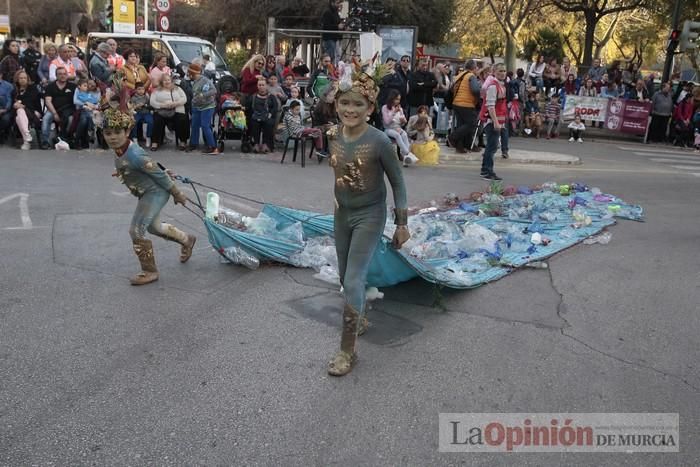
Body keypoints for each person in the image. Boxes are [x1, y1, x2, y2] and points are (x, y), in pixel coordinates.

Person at [326, 59, 409, 376]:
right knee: (344, 275)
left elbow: (398, 183)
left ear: (370, 107)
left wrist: (402, 224)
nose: (349, 109)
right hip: (341, 212)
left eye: (357, 104)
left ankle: (347, 352)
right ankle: (358, 315)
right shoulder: (333, 133)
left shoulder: (380, 142)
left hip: (370, 215)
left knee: (354, 278)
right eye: (344, 102)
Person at [104, 107, 196, 286]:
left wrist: (177, 194)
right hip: (147, 192)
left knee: (136, 231)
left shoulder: (135, 154)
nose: (112, 137)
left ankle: (149, 271)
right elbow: (142, 167)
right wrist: (124, 172)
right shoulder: (121, 148)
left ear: (127, 131)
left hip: (155, 192)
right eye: (108, 133)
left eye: (117, 132)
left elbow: (159, 175)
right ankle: (187, 240)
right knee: (154, 228)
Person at [185, 62, 219, 155]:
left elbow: (214, 90)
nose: (188, 75)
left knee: (205, 125)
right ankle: (193, 144)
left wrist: (203, 95)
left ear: (192, 73)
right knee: (195, 125)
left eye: (189, 73)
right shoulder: (193, 81)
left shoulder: (205, 80)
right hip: (196, 106)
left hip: (207, 107)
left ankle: (212, 146)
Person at [448, 59, 481, 153]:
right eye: (476, 68)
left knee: (462, 125)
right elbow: (475, 90)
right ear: (474, 68)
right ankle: (452, 137)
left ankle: (461, 146)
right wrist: (478, 96)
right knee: (472, 124)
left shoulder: (460, 75)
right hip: (466, 103)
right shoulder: (471, 76)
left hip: (456, 103)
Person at [150, 74, 189, 151]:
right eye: (165, 80)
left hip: (176, 109)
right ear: (161, 82)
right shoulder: (157, 91)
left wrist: (175, 103)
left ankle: (183, 141)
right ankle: (155, 142)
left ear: (171, 81)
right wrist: (162, 105)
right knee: (157, 120)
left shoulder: (177, 89)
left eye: (168, 80)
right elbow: (152, 102)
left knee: (181, 119)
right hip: (162, 111)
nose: (167, 82)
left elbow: (184, 98)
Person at [41, 67, 76, 149]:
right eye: (60, 74)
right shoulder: (50, 86)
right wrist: (54, 113)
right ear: (56, 75)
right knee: (46, 118)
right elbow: (48, 101)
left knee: (71, 119)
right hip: (53, 109)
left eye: (64, 74)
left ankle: (65, 139)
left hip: (68, 110)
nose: (62, 76)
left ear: (67, 75)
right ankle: (45, 142)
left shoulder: (73, 86)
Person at [381, 89, 416, 165]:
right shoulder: (385, 108)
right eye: (396, 99)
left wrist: (403, 121)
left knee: (404, 134)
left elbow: (402, 124)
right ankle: (408, 154)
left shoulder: (400, 109)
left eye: (399, 99)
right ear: (392, 98)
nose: (398, 101)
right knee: (397, 135)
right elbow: (386, 122)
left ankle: (405, 159)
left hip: (397, 128)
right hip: (388, 129)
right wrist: (393, 113)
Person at [12, 70, 42, 150]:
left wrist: (19, 103)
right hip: (21, 113)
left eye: (25, 78)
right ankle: (27, 137)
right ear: (17, 79)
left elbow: (31, 102)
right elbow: (12, 102)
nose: (23, 79)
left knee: (19, 112)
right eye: (21, 78)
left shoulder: (33, 88)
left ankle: (26, 139)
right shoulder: (15, 89)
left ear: (28, 79)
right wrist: (16, 105)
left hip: (34, 112)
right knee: (19, 113)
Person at [246, 78, 278, 153]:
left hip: (267, 116)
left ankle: (265, 144)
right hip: (256, 116)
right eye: (259, 85)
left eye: (263, 85)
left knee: (268, 123)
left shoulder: (271, 97)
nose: (261, 86)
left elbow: (275, 107)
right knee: (253, 123)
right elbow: (248, 107)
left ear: (266, 86)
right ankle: (256, 143)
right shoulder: (253, 96)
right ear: (257, 86)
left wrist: (270, 114)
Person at [73, 78, 99, 149]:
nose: (87, 87)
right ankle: (78, 140)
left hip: (90, 111)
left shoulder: (90, 92)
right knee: (85, 120)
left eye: (87, 85)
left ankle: (85, 139)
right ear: (79, 86)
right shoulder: (78, 91)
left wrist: (93, 105)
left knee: (88, 119)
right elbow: (75, 101)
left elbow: (96, 102)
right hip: (80, 110)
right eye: (85, 85)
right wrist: (85, 103)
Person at [321, 0, 344, 65]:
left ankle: (333, 72)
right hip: (329, 39)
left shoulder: (335, 13)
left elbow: (338, 23)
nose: (339, 4)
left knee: (336, 56)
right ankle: (328, 73)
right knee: (329, 57)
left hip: (335, 39)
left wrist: (344, 27)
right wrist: (337, 26)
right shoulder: (327, 12)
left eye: (339, 3)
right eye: (337, 3)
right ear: (332, 3)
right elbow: (326, 26)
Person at [0, 71, 14, 143]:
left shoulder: (8, 86)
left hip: (6, 109)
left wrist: (4, 110)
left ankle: (2, 132)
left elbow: (10, 100)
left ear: (1, 75)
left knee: (5, 119)